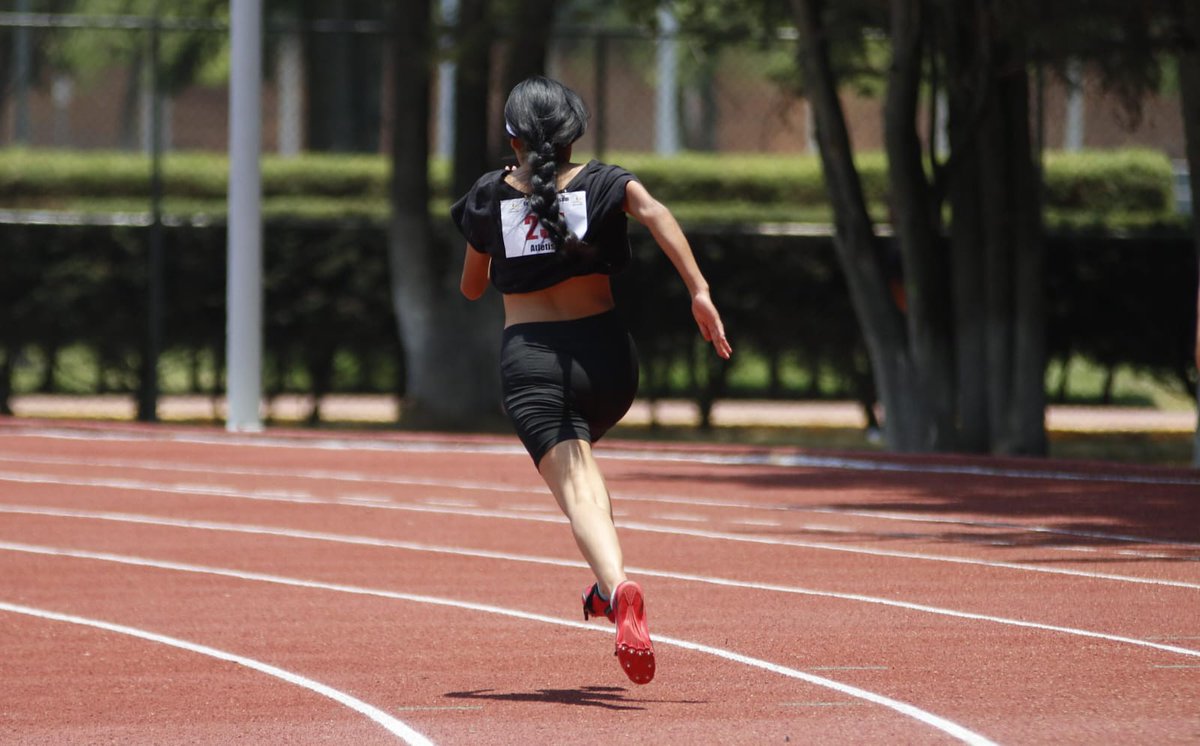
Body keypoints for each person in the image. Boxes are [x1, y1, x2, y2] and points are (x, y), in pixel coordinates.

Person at [451, 76, 731, 685]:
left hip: (534, 363)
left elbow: (473, 287)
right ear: (575, 130)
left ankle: (618, 586)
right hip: (609, 364)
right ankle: (607, 588)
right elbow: (656, 213)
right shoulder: (608, 181)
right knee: (584, 473)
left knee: (576, 485)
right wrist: (700, 293)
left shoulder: (488, 195)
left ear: (511, 137)